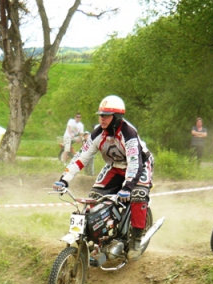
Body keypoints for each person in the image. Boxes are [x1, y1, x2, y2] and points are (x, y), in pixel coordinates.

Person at [53, 95, 154, 261]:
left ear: (117, 117)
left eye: (106, 115)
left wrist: (128, 187)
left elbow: (134, 162)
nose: (102, 119)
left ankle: (136, 240)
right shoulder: (97, 134)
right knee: (94, 199)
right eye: (101, 115)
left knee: (138, 195)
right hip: (114, 166)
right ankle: (101, 239)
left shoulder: (128, 133)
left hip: (140, 164)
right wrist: (64, 179)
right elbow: (81, 157)